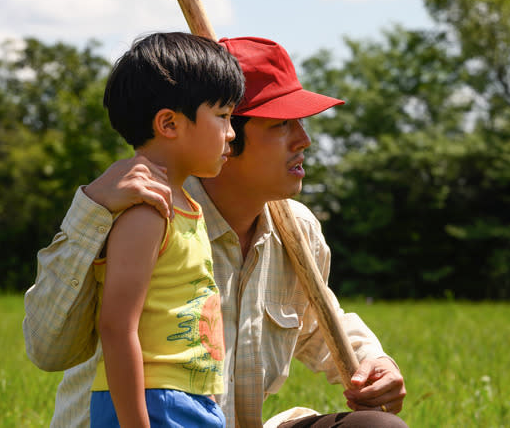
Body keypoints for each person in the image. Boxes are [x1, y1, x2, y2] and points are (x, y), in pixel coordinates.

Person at [23, 36, 408, 428]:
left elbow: (318, 322)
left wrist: (373, 361)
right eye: (280, 125)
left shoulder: (299, 230)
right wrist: (90, 210)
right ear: (229, 134)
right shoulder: (141, 210)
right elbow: (47, 349)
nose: (304, 140)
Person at [88, 32, 245, 427]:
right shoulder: (147, 213)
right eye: (223, 116)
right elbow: (116, 325)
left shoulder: (186, 207)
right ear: (169, 123)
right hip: (154, 402)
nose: (232, 133)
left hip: (187, 399)